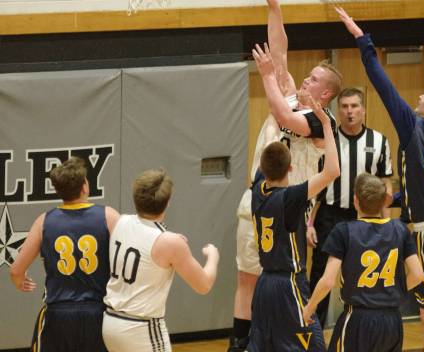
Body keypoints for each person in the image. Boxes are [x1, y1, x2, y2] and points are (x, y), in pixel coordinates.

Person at [335, 6, 424, 352]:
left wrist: (362, 40)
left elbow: (382, 84)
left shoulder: (415, 128)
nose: (421, 97)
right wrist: (389, 200)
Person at [228, 0, 342, 351]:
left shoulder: (318, 122)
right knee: (247, 278)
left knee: (285, 280)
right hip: (258, 197)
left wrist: (267, 80)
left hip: (290, 206)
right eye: (305, 77)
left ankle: (294, 339)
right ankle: (240, 342)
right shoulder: (293, 96)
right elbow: (279, 53)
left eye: (311, 79)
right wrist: (274, 6)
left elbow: (283, 116)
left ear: (324, 92)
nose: (304, 81)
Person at [248, 91, 340, 352]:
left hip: (264, 283)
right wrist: (325, 124)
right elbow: (332, 170)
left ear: (262, 168)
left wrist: (275, 100)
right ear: (291, 169)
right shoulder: (290, 197)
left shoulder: (257, 188)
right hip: (289, 284)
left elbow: (269, 133)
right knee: (312, 347)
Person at [303, 173, 424, 352]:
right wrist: (391, 291)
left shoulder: (344, 231)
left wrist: (309, 308)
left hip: (358, 319)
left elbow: (328, 281)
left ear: (355, 200)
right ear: (385, 201)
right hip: (391, 320)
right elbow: (418, 275)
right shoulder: (400, 230)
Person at [102, 168, 220, 352]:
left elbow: (143, 239)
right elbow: (203, 285)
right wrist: (213, 256)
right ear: (168, 202)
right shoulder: (169, 242)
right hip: (140, 327)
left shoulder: (118, 220)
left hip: (110, 322)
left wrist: (169, 240)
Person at [10, 156, 120, 352]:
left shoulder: (44, 221)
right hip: (98, 312)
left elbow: (16, 270)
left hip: (58, 313)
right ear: (85, 186)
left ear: (58, 190)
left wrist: (20, 281)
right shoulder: (108, 216)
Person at [307, 86, 393, 327]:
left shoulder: (379, 142)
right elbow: (315, 187)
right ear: (338, 111)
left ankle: (355, 326)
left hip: (364, 217)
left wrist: (385, 224)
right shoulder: (327, 141)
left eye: (354, 106)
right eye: (344, 107)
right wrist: (309, 223)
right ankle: (313, 328)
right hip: (329, 215)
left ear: (363, 110)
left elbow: (386, 185)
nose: (349, 111)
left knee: (358, 274)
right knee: (321, 274)